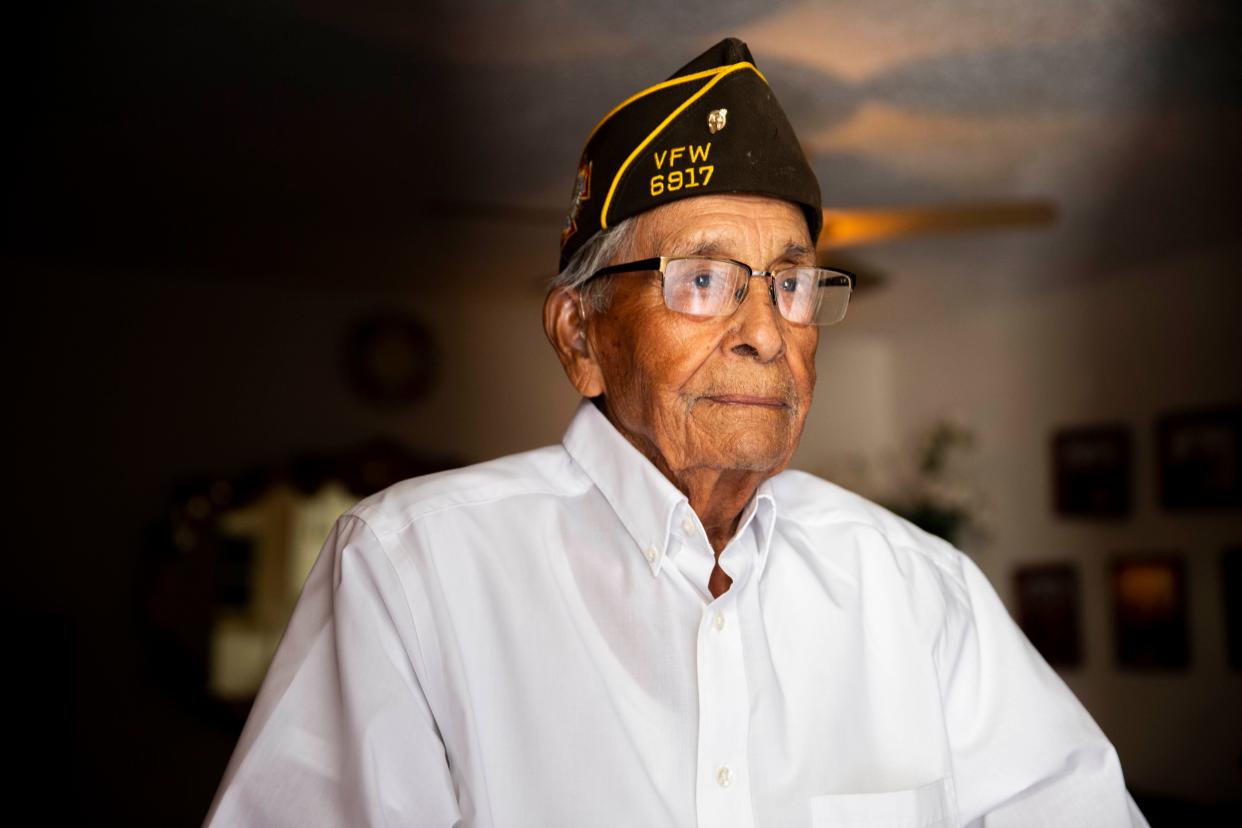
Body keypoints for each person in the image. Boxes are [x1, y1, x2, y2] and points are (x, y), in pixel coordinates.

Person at [205, 38, 1148, 827]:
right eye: (701, 279)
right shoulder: (414, 569)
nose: (766, 330)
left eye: (792, 282)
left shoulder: (916, 588)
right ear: (581, 337)